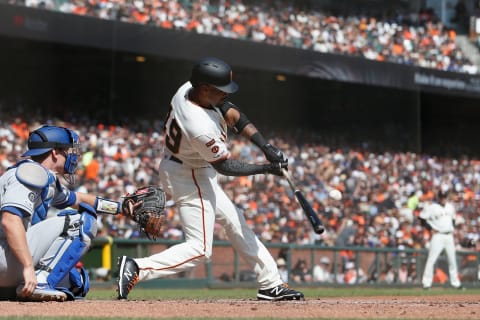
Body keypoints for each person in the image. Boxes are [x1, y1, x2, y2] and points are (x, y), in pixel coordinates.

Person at [117, 57, 304, 301]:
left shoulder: (189, 88)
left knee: (236, 221)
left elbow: (230, 112)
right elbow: (225, 166)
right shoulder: (198, 125)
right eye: (220, 90)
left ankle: (271, 284)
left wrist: (264, 145)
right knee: (200, 249)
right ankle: (137, 268)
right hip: (189, 174)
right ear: (205, 89)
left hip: (189, 167)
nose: (225, 95)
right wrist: (267, 168)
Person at [0, 125, 122, 301]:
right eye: (67, 150)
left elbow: (78, 199)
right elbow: (10, 221)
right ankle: (40, 282)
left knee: (75, 282)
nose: (72, 156)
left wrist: (121, 208)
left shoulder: (45, 177)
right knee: (79, 220)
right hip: (4, 254)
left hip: (8, 256)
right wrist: (28, 266)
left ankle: (17, 289)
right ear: (55, 152)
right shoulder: (30, 173)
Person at [419, 190, 463, 289]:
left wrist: (452, 229)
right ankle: (426, 283)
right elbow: (421, 218)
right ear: (438, 198)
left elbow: (453, 219)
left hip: (449, 236)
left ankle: (455, 283)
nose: (443, 199)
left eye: (444, 197)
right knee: (431, 260)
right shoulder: (432, 207)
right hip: (438, 235)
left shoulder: (450, 207)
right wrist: (430, 229)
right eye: (441, 197)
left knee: (452, 260)